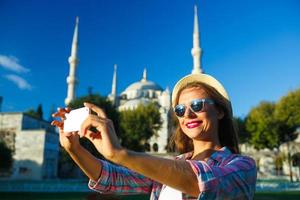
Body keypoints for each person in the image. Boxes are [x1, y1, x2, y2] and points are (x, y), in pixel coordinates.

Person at [52, 73, 257, 200]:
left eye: (197, 105)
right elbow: (113, 178)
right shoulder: (171, 166)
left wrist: (121, 154)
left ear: (220, 111)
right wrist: (75, 149)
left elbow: (202, 184)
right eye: (179, 109)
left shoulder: (242, 166)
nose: (187, 114)